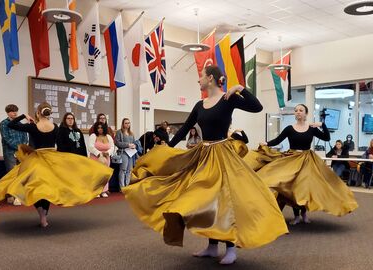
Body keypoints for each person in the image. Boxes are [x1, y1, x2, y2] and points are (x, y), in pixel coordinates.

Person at [122, 65, 288, 265]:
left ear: (210, 78)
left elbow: (257, 107)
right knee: (206, 200)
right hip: (204, 154)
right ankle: (211, 246)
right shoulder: (200, 105)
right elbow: (184, 128)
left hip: (223, 156)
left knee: (225, 200)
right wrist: (168, 148)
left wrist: (239, 88)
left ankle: (230, 247)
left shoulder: (229, 99)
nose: (198, 80)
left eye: (200, 76)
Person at [0, 102, 112, 228]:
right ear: (49, 113)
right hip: (52, 158)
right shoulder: (55, 127)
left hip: (37, 159)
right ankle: (44, 215)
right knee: (47, 188)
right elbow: (59, 144)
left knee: (35, 187)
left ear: (38, 113)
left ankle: (41, 213)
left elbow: (11, 125)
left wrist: (23, 116)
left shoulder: (33, 126)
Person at [257, 104, 358, 225]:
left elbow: (326, 138)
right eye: (296, 111)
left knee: (304, 188)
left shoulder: (312, 128)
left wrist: (322, 125)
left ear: (306, 113)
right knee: (292, 188)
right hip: (292, 159)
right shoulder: (289, 128)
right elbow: (277, 140)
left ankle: (304, 214)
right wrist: (266, 143)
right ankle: (296, 216)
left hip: (306, 160)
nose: (298, 112)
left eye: (301, 110)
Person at [0, 104, 29, 206]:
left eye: (16, 111)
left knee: (20, 175)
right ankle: (11, 196)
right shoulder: (3, 123)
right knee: (11, 175)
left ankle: (18, 196)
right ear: (8, 113)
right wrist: (18, 147)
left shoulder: (20, 123)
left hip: (21, 153)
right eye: (12, 111)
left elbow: (25, 137)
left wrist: (23, 147)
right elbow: (7, 138)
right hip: (10, 153)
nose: (15, 113)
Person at [88, 122, 115, 198]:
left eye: (101, 128)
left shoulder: (108, 136)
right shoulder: (93, 136)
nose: (100, 129)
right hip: (96, 158)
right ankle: (96, 191)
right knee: (97, 175)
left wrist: (108, 153)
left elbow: (112, 147)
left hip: (106, 158)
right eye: (98, 128)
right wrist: (99, 153)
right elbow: (90, 147)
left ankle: (103, 191)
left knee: (105, 175)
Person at [115, 118, 136, 189]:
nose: (127, 124)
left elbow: (133, 142)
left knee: (129, 170)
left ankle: (127, 185)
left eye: (128, 123)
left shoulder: (131, 133)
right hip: (123, 152)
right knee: (123, 169)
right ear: (123, 124)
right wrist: (127, 145)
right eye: (126, 123)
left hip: (130, 153)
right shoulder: (119, 132)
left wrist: (134, 145)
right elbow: (117, 143)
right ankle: (122, 186)